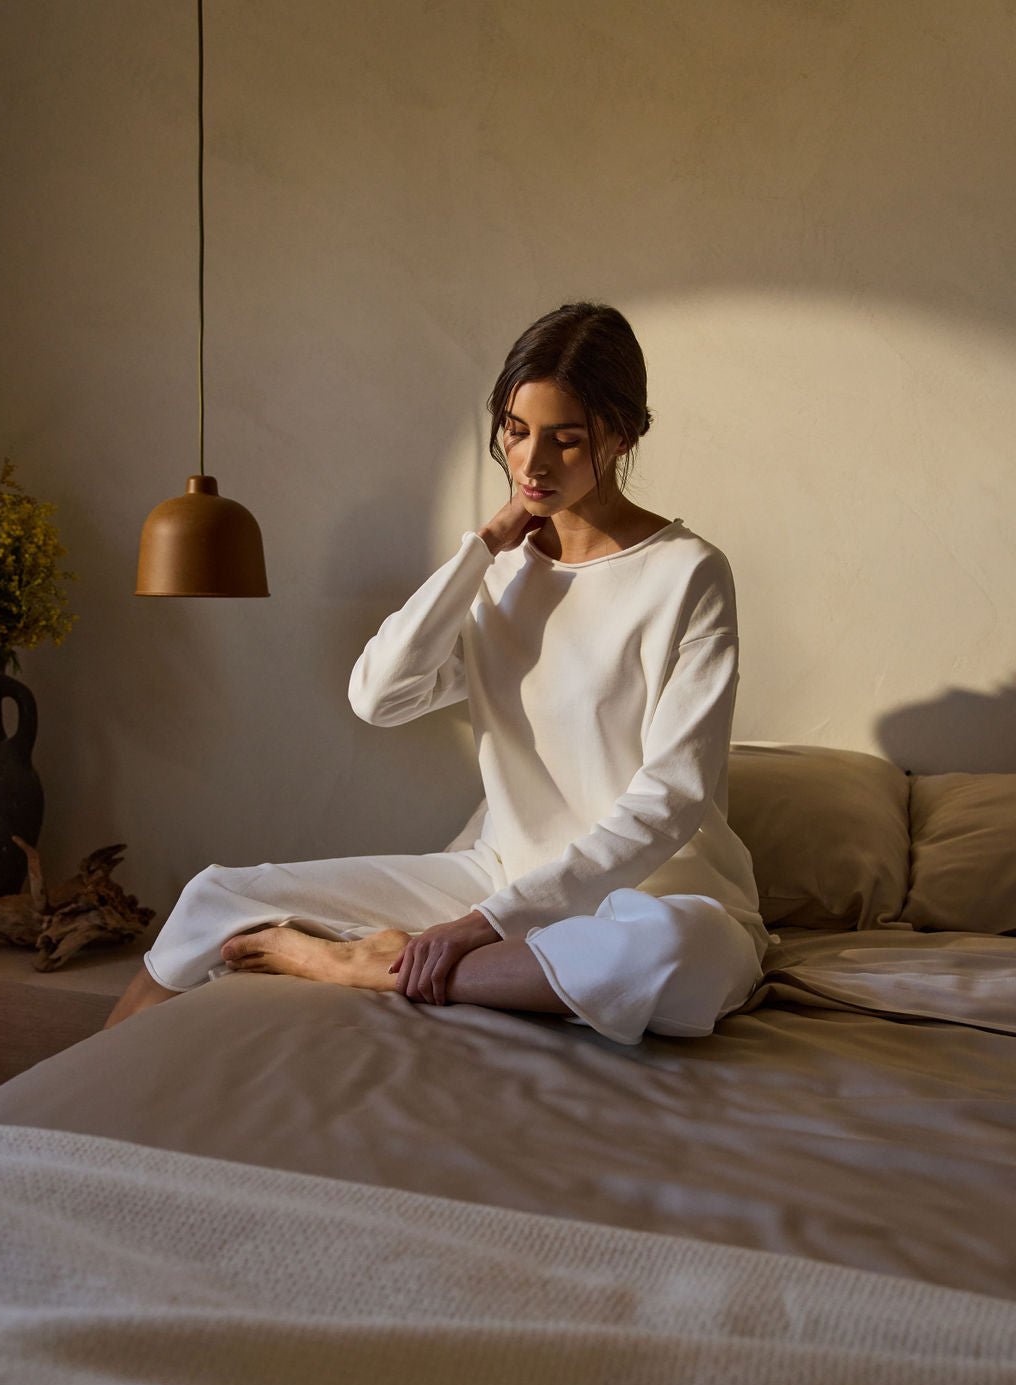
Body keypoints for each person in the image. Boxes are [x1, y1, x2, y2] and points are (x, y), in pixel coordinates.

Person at [104, 301, 771, 1046]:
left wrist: (476, 930)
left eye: (566, 439)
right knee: (218, 893)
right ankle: (57, 1109)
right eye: (516, 433)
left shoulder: (689, 573)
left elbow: (670, 800)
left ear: (623, 434)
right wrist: (484, 546)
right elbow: (377, 696)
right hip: (500, 872)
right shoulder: (497, 570)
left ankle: (368, 967)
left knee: (675, 956)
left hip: (657, 892)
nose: (532, 463)